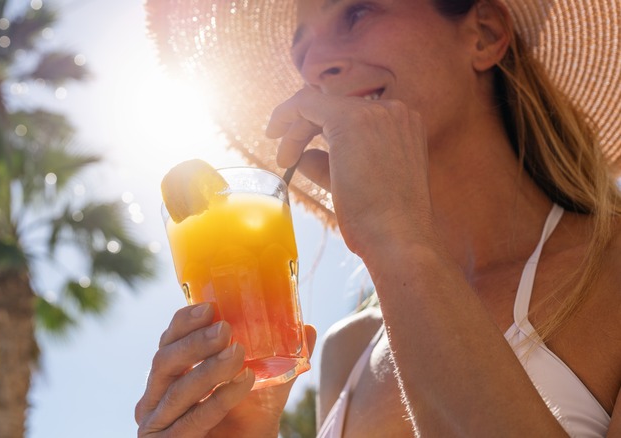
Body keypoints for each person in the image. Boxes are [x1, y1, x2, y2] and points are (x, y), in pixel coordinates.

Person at [138, 0, 621, 436]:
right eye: (299, 50)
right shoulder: (349, 345)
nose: (313, 65)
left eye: (357, 12)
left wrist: (400, 243)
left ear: (485, 34)